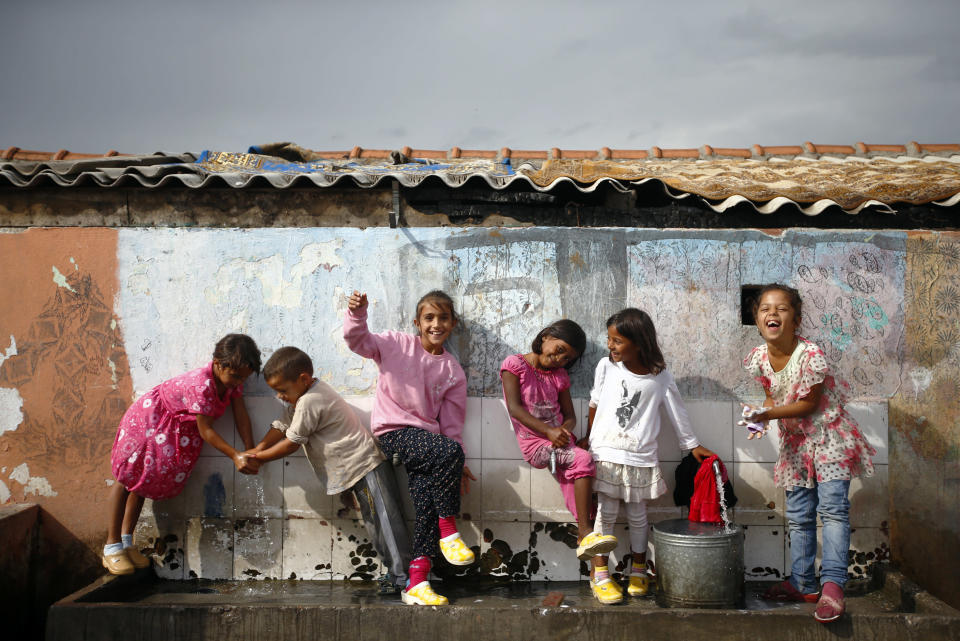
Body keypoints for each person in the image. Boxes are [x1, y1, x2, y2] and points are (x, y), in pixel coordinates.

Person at [743, 284, 875, 623]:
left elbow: (808, 404)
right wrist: (761, 420)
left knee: (832, 511)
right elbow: (774, 397)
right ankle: (802, 582)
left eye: (781, 308)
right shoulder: (759, 358)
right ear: (757, 320)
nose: (772, 313)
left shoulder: (812, 355)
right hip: (796, 445)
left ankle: (833, 585)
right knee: (800, 515)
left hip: (829, 437)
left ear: (796, 319)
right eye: (764, 309)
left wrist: (767, 414)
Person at [344, 289, 476, 606]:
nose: (436, 324)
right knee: (448, 457)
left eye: (443, 317)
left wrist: (455, 464)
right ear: (417, 322)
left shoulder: (452, 371)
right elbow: (357, 341)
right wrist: (357, 314)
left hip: (428, 445)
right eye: (429, 317)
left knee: (427, 508)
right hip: (393, 432)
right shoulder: (396, 344)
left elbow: (452, 426)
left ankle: (417, 582)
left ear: (453, 323)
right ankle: (450, 533)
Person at [244, 346, 412, 592]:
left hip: (366, 464)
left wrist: (258, 458)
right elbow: (282, 425)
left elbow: (292, 443)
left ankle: (404, 578)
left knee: (386, 521)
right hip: (357, 469)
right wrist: (257, 450)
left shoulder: (311, 400)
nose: (280, 396)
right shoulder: (304, 396)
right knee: (375, 524)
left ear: (302, 379)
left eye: (282, 390)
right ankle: (395, 573)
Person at [585, 308, 715, 604]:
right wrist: (588, 439)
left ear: (639, 342)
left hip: (640, 455)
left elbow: (677, 412)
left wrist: (691, 444)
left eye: (617, 341)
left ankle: (639, 569)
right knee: (605, 513)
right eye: (609, 339)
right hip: (605, 451)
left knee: (637, 514)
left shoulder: (660, 377)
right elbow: (594, 402)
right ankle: (600, 574)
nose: (611, 346)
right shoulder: (606, 366)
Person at [103, 333, 261, 575]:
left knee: (142, 484)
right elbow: (206, 430)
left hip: (168, 429)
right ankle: (111, 547)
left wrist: (250, 449)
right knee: (127, 478)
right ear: (218, 363)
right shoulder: (202, 385)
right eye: (236, 377)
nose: (239, 383)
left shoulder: (230, 384)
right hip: (148, 422)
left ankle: (127, 543)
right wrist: (235, 455)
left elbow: (240, 415)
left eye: (243, 379)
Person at [499, 319, 617, 573]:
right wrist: (549, 432)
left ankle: (597, 566)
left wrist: (564, 430)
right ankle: (585, 532)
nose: (560, 359)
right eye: (560, 349)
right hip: (535, 444)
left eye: (567, 358)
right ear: (546, 337)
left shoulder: (559, 376)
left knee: (581, 494)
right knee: (582, 460)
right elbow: (515, 409)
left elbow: (570, 415)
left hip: (559, 441)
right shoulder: (515, 365)